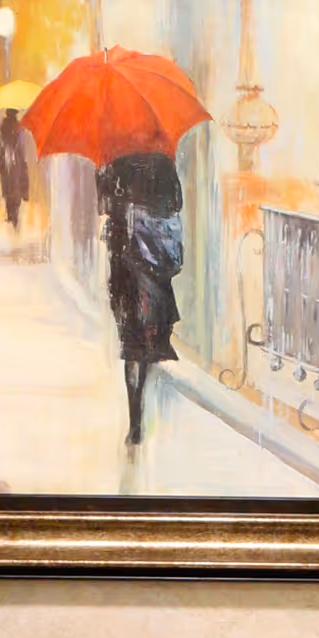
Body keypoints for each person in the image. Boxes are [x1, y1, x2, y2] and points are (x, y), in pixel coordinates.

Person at [97, 148, 185, 446]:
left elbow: (103, 206)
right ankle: (143, 385)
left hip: (124, 260)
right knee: (147, 337)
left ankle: (134, 417)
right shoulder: (163, 161)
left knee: (130, 341)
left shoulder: (115, 162)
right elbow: (176, 203)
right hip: (154, 262)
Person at [0, 108, 31, 232]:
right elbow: (21, 154)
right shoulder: (19, 131)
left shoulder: (3, 131)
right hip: (15, 170)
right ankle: (14, 220)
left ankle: (12, 217)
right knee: (15, 196)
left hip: (6, 170)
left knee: (9, 194)